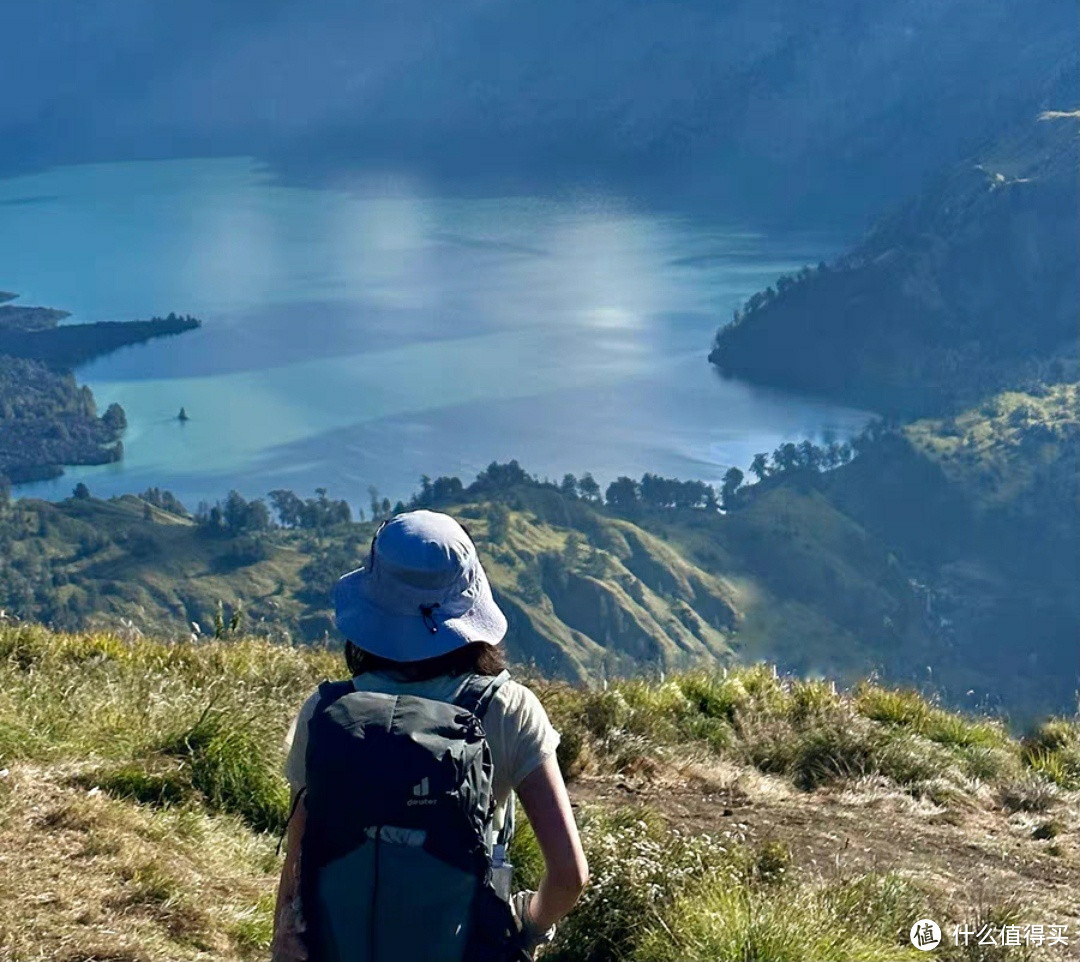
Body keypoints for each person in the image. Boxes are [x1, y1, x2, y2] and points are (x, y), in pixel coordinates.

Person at [273, 509, 588, 961]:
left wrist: (281, 942)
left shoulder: (326, 712)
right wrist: (525, 929)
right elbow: (568, 875)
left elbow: (297, 869)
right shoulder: (509, 709)